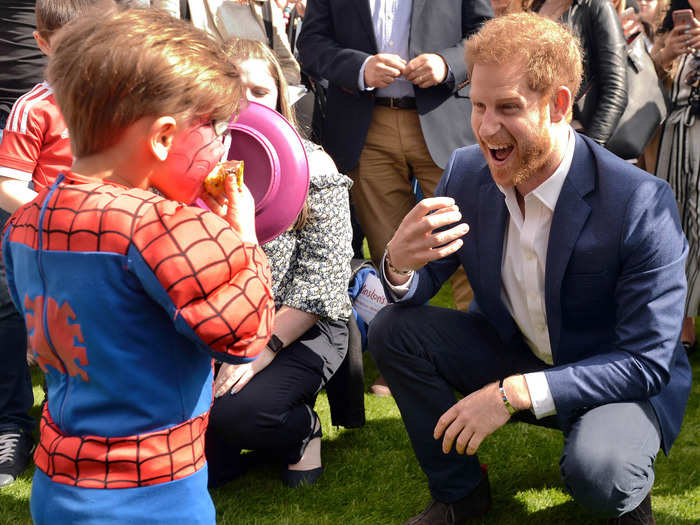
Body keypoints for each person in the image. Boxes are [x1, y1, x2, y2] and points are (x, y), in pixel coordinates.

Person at [369, 12, 692, 525]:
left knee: (601, 471)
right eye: (477, 106)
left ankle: (625, 484)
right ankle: (460, 495)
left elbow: (647, 361)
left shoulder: (638, 201)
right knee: (394, 329)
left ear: (559, 104)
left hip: (612, 376)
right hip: (515, 351)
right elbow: (404, 292)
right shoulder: (467, 171)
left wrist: (513, 394)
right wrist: (397, 264)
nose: (485, 128)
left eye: (507, 107)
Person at [2, 8, 275, 524]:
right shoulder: (164, 228)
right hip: (155, 493)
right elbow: (243, 335)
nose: (220, 144)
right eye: (213, 128)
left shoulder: (25, 223)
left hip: (57, 483)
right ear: (164, 136)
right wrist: (242, 238)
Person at [205, 37, 354, 488]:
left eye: (259, 91)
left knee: (239, 412)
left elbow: (321, 281)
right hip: (218, 326)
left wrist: (257, 355)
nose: (246, 103)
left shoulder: (316, 167)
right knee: (208, 458)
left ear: (279, 97)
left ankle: (299, 429)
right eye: (232, 92)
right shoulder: (188, 169)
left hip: (299, 324)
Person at [296, 0, 492, 314]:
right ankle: (409, 348)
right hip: (368, 128)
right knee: (392, 253)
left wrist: (447, 63)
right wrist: (358, 68)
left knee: (467, 242)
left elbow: (486, 32)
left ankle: (481, 345)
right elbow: (310, 45)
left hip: (444, 123)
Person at [0, 0, 103, 489]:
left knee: (96, 340)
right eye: (68, 50)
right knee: (55, 344)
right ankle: (23, 427)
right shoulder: (34, 107)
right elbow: (7, 183)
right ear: (42, 44)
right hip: (48, 250)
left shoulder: (114, 100)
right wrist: (63, 210)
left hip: (107, 247)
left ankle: (93, 425)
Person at [653, 0, 700, 352]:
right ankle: (683, 325)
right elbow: (641, 75)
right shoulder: (668, 27)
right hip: (673, 137)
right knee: (675, 226)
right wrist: (666, 52)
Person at [533, 0, 628, 147]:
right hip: (535, 133)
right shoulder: (534, 6)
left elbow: (616, 89)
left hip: (574, 137)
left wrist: (590, 148)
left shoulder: (597, 7)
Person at [152, 0, 301, 85]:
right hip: (203, 114)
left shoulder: (267, 7)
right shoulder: (178, 3)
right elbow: (165, 60)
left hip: (257, 121)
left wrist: (263, 88)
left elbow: (290, 68)